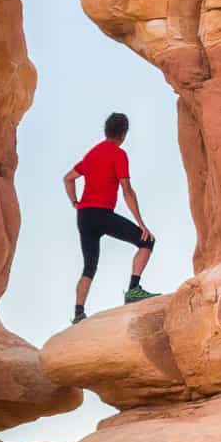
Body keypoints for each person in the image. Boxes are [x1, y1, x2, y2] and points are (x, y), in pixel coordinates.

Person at [63, 111, 158, 323]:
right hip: (102, 214)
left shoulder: (92, 154)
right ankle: (133, 290)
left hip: (84, 215)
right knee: (147, 240)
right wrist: (142, 224)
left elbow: (68, 179)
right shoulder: (118, 154)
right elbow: (127, 190)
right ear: (124, 133)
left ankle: (78, 313)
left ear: (106, 130)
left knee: (89, 266)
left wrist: (75, 202)